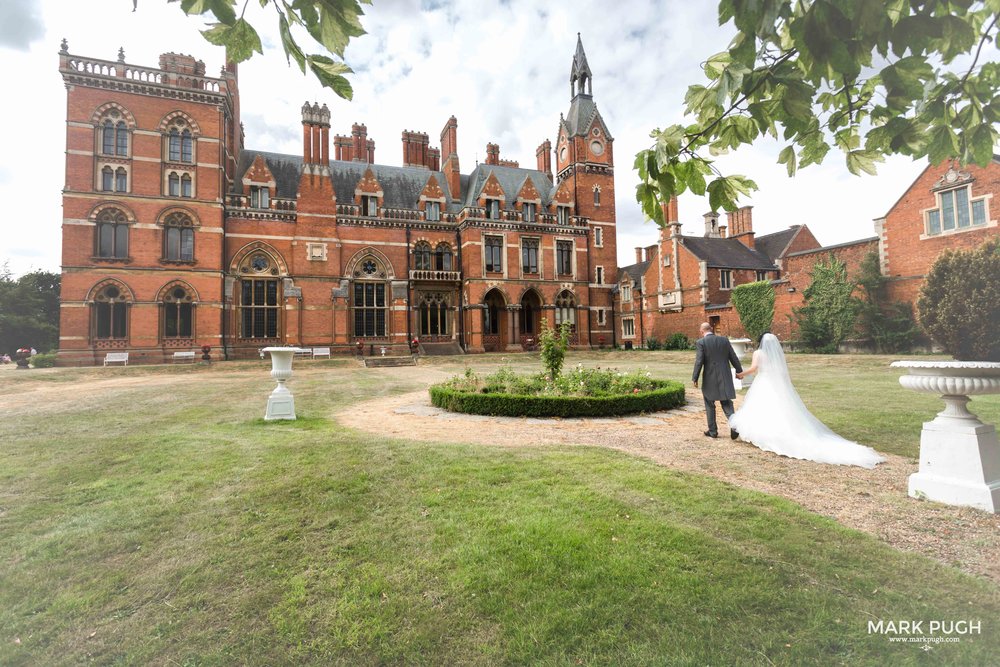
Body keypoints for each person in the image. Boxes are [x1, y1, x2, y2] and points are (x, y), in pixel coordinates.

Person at [731, 332, 885, 468]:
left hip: (763, 382)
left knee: (761, 407)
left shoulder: (758, 353)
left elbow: (754, 369)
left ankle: (765, 434)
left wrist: (741, 374)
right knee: (781, 408)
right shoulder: (775, 355)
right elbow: (780, 371)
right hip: (775, 384)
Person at [692, 322, 743, 439]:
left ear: (701, 331)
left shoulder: (701, 342)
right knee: (726, 402)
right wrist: (739, 371)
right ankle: (735, 426)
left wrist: (695, 377)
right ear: (711, 329)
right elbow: (733, 357)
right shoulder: (724, 340)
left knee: (709, 403)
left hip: (710, 377)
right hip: (725, 375)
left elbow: (699, 361)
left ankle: (713, 431)